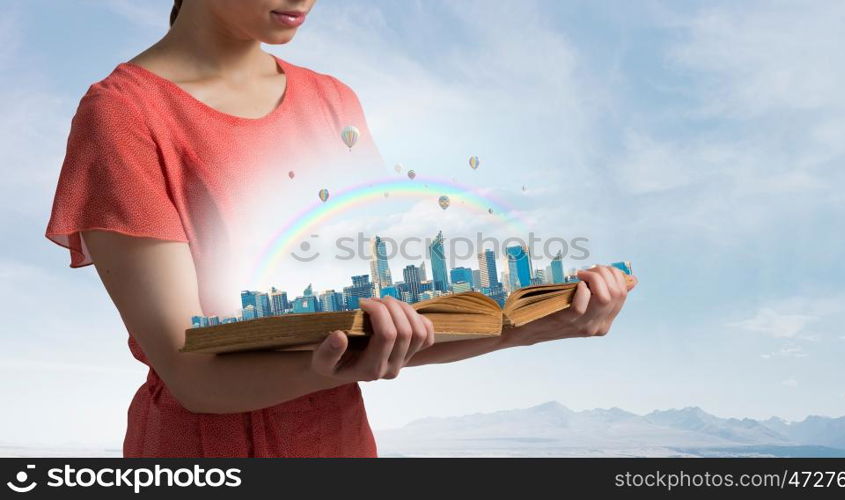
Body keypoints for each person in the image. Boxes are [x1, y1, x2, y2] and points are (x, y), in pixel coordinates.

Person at [44, 0, 636, 457]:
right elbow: (191, 375)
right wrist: (333, 362)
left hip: (341, 444)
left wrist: (533, 327)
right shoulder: (122, 115)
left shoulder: (333, 102)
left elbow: (387, 327)